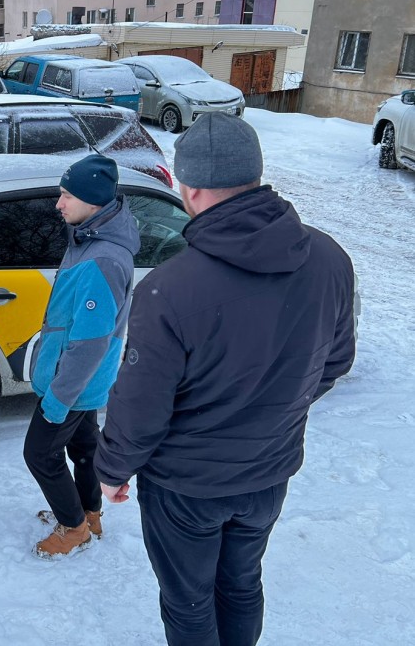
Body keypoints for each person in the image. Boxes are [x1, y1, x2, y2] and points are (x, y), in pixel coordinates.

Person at [94, 113, 356, 645]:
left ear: (188, 189)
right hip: (268, 476)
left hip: (185, 489)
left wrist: (112, 470)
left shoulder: (170, 289)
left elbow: (141, 409)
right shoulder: (329, 258)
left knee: (189, 603)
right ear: (255, 177)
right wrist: (275, 411)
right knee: (241, 585)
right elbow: (334, 362)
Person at [24, 154, 141, 559]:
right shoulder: (92, 238)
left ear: (93, 202)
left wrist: (57, 399)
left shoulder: (101, 259)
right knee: (84, 448)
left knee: (39, 453)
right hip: (86, 383)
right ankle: (89, 512)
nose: (59, 204)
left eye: (67, 196)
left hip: (72, 383)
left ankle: (73, 528)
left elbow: (89, 343)